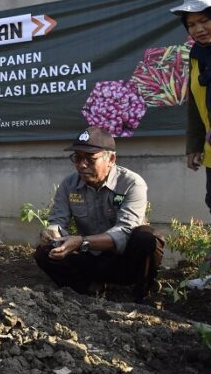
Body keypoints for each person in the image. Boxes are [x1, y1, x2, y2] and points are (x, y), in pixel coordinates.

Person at [33, 127, 164, 303]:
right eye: (77, 158)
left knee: (148, 239)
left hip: (123, 261)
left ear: (111, 159)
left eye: (90, 159)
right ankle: (87, 290)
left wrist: (82, 241)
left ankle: (141, 294)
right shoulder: (69, 184)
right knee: (43, 252)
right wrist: (52, 232)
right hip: (91, 258)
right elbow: (58, 221)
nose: (81, 164)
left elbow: (125, 231)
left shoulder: (131, 184)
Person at [170, 0, 211, 266]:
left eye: (204, 20)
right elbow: (196, 100)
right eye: (191, 24)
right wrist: (194, 143)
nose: (198, 29)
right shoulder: (196, 55)